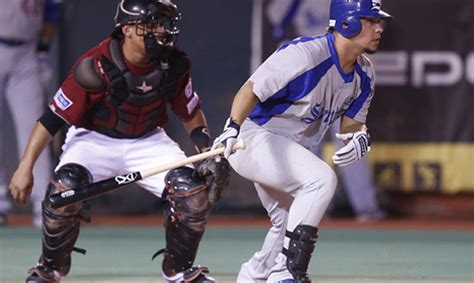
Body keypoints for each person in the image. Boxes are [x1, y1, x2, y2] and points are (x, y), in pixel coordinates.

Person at [9, 0, 230, 282]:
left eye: (163, 23)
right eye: (151, 24)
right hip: (93, 140)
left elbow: (190, 112)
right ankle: (49, 268)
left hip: (148, 141)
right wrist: (25, 167)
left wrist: (207, 152)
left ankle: (179, 270)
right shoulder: (95, 65)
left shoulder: (174, 63)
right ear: (127, 29)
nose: (161, 31)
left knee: (193, 195)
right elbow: (51, 119)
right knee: (64, 192)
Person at [213, 0, 393, 282]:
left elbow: (352, 124)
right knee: (320, 180)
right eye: (371, 21)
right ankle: (287, 273)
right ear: (348, 22)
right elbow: (251, 89)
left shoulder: (365, 73)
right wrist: (231, 126)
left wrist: (361, 137)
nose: (379, 28)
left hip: (292, 149)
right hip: (255, 138)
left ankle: (254, 276)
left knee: (286, 220)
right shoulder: (305, 54)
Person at [266, 0, 387, 221]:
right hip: (314, 70)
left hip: (343, 70)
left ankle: (366, 207)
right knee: (309, 146)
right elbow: (276, 20)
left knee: (352, 142)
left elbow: (373, 22)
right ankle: (314, 208)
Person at [0, 0, 60, 227]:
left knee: (37, 127)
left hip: (27, 51)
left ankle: (43, 204)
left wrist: (43, 48)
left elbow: (52, 12)